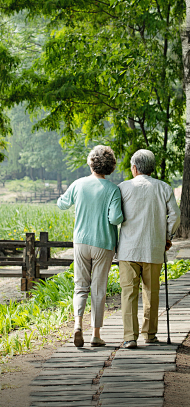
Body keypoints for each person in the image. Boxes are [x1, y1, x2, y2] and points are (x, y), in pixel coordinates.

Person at [57, 145, 123, 348]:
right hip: (104, 243)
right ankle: (95, 334)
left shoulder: (78, 184)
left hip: (81, 242)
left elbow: (61, 204)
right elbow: (115, 218)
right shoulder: (113, 189)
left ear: (91, 162)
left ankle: (77, 325)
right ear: (111, 166)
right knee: (98, 288)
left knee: (80, 286)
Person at [117, 149, 180, 348]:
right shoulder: (163, 188)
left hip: (128, 249)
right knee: (151, 292)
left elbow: (115, 216)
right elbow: (175, 216)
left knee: (128, 293)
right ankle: (150, 334)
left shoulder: (123, 188)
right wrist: (167, 237)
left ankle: (129, 337)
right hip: (154, 248)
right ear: (151, 168)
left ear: (134, 168)